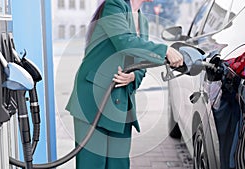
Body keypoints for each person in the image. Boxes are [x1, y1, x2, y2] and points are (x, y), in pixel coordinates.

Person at [65, 0, 184, 168]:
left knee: (118, 164)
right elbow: (124, 41)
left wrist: (134, 76)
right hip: (93, 98)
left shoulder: (142, 21)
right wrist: (165, 50)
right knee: (92, 164)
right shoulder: (114, 5)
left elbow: (142, 61)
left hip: (120, 103)